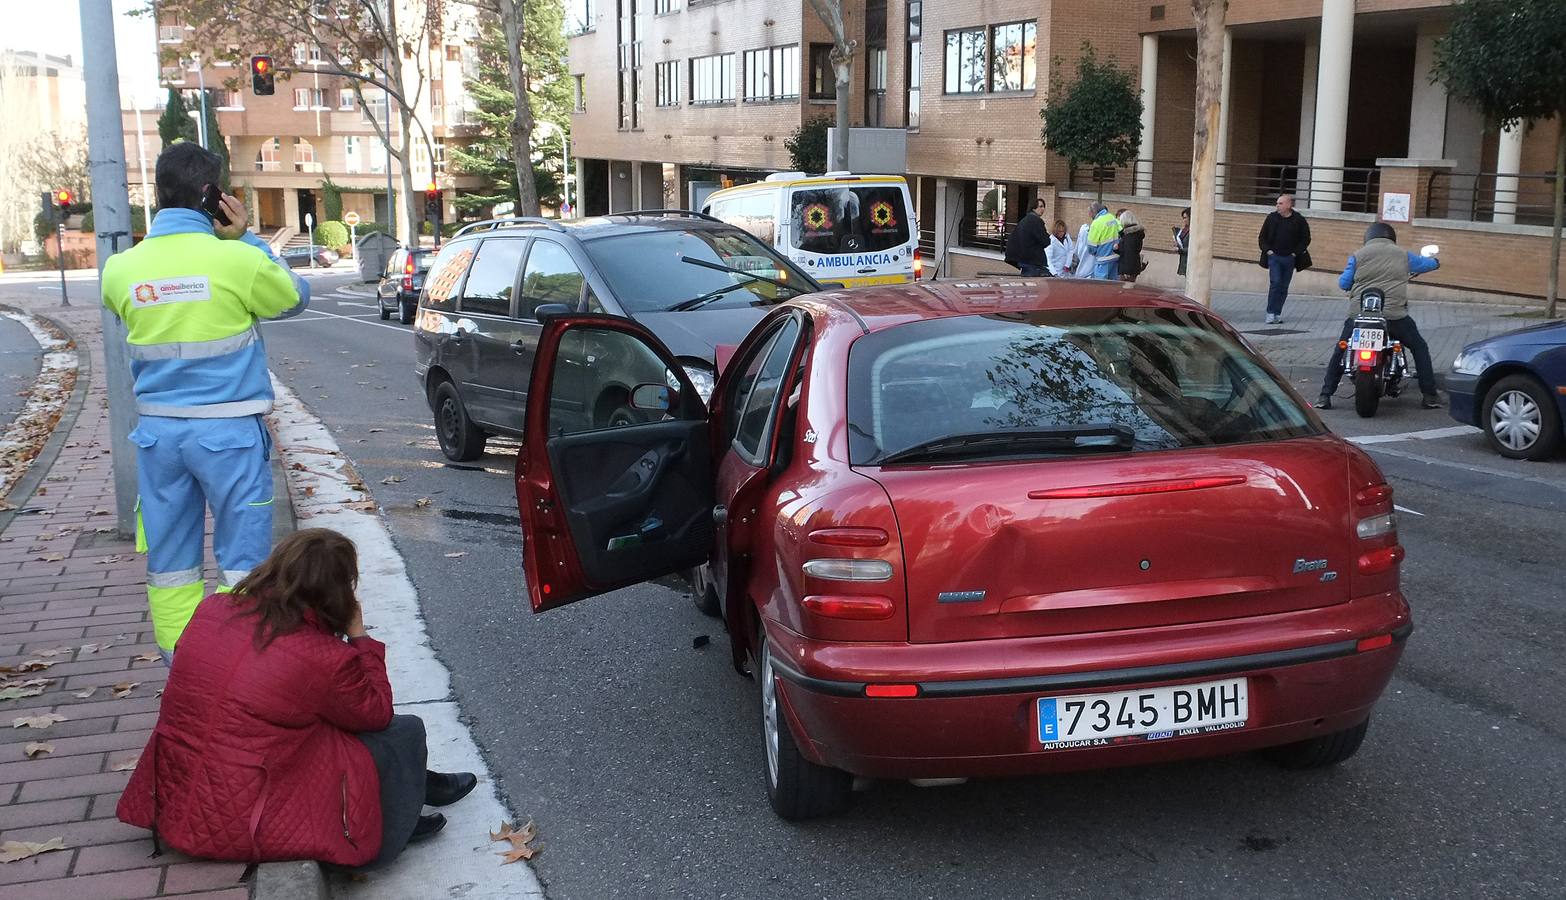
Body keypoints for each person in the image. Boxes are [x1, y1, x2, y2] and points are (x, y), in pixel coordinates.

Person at [117, 529, 479, 868]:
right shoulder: (321, 657)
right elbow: (377, 713)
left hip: (173, 797)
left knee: (325, 716)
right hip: (244, 813)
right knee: (400, 730)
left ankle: (422, 784)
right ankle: (399, 820)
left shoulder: (212, 608)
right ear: (334, 593)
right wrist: (359, 637)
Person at [101, 142, 309, 664]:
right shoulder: (237, 260)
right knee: (243, 559)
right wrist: (249, 241)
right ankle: (236, 661)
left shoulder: (120, 269)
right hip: (229, 434)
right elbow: (293, 297)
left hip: (158, 437)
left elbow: (123, 312)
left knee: (171, 561)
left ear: (157, 192)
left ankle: (181, 664)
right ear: (212, 196)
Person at [1314, 223, 1442, 410]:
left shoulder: (1357, 256)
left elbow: (1343, 283)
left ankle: (1325, 395)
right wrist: (1435, 262)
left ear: (1368, 238)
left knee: (1341, 350)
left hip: (1359, 317)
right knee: (1419, 347)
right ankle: (1429, 395)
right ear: (1391, 238)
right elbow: (1426, 264)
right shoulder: (1403, 255)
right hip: (1393, 317)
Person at [1257, 193, 1311, 324]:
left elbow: (1306, 239)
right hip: (1274, 257)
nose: (1277, 206)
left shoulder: (1298, 220)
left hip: (1289, 258)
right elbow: (1262, 237)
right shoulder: (1271, 218)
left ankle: (1277, 313)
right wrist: (1268, 251)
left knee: (1284, 287)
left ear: (1288, 205)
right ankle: (1270, 313)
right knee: (1275, 283)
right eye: (1277, 203)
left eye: (1280, 203)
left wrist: (1295, 253)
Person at [1004, 200, 1050, 276]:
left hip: (1024, 261)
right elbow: (1045, 241)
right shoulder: (1036, 221)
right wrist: (1048, 237)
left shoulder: (1024, 220)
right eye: (1040, 206)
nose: (1043, 209)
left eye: (1044, 206)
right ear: (1033, 208)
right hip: (1033, 262)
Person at [1085, 202, 1123, 280]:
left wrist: (1093, 252)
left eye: (1089, 213)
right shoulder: (1112, 217)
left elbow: (1091, 246)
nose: (1089, 216)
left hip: (1103, 259)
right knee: (1113, 284)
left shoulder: (1096, 223)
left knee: (1101, 286)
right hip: (1115, 257)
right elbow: (1122, 232)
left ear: (1093, 212)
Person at [1117, 209, 1146, 283]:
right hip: (1134, 265)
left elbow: (1129, 253)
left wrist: (1127, 271)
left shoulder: (1130, 236)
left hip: (1127, 268)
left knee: (1124, 288)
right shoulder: (1136, 234)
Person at [1174, 207, 1191, 277]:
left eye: (1185, 218)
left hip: (1190, 261)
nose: (1184, 220)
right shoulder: (1184, 230)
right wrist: (1178, 245)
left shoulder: (1192, 231)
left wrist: (1181, 249)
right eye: (1183, 218)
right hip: (1184, 259)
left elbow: (1193, 247)